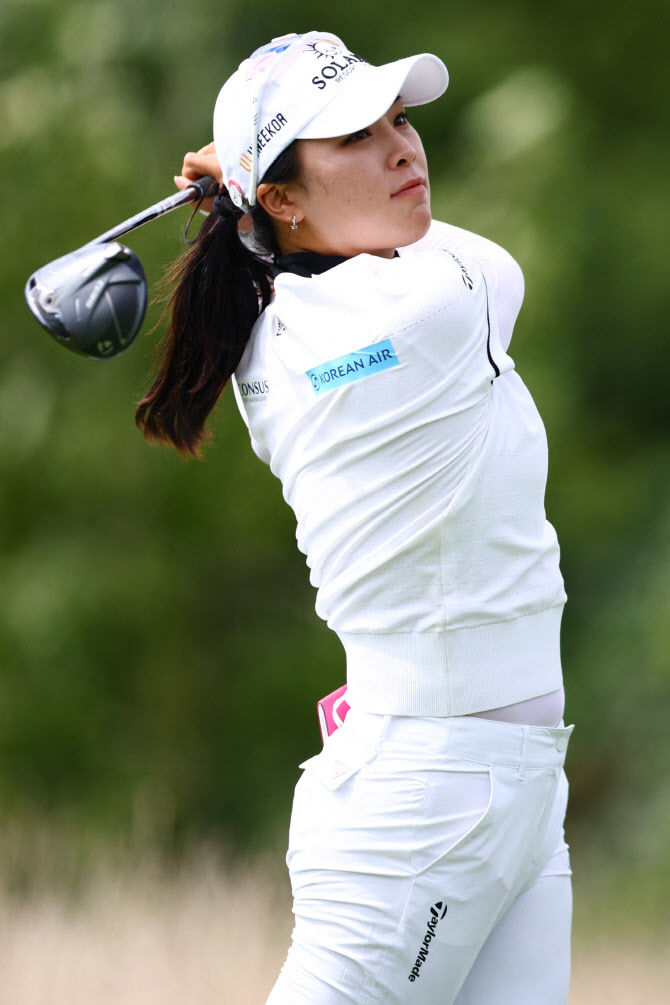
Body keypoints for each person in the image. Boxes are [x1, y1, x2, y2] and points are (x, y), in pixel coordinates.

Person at [136, 30, 573, 1005]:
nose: (402, 150)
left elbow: (397, 243)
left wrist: (247, 197)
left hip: (512, 784)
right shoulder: (413, 309)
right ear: (283, 199)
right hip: (427, 802)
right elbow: (493, 266)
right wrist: (237, 189)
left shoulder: (309, 310)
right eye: (355, 138)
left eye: (399, 121)